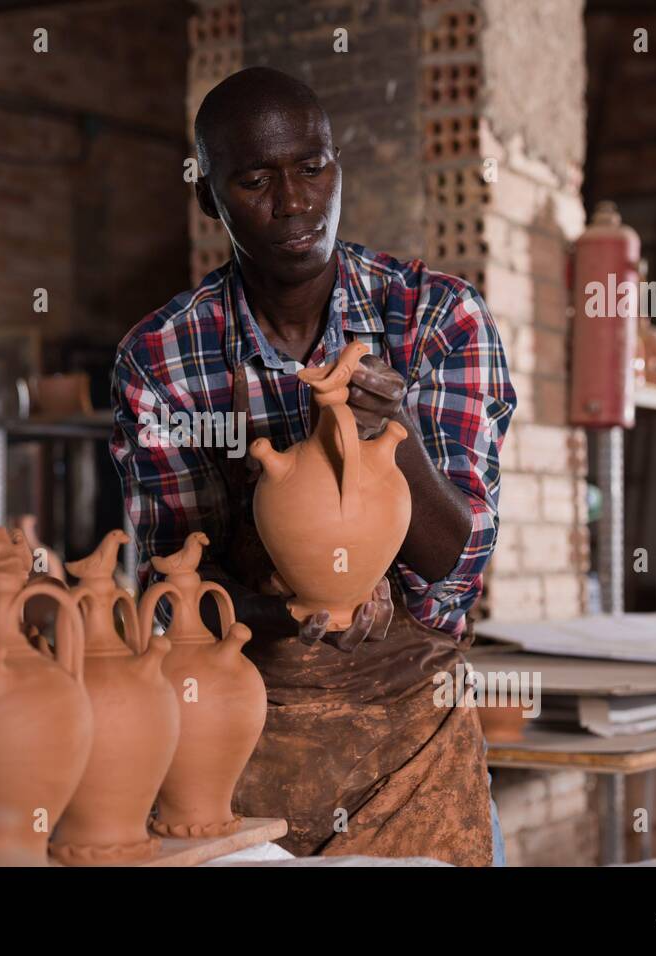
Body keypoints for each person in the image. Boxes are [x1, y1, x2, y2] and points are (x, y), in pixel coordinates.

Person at [110, 67, 515, 865]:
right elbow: (170, 589)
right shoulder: (159, 357)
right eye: (255, 180)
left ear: (338, 166)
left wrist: (393, 429)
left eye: (312, 167)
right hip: (236, 745)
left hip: (412, 741)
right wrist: (298, 608)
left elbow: (458, 560)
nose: (293, 203)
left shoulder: (436, 317)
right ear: (209, 197)